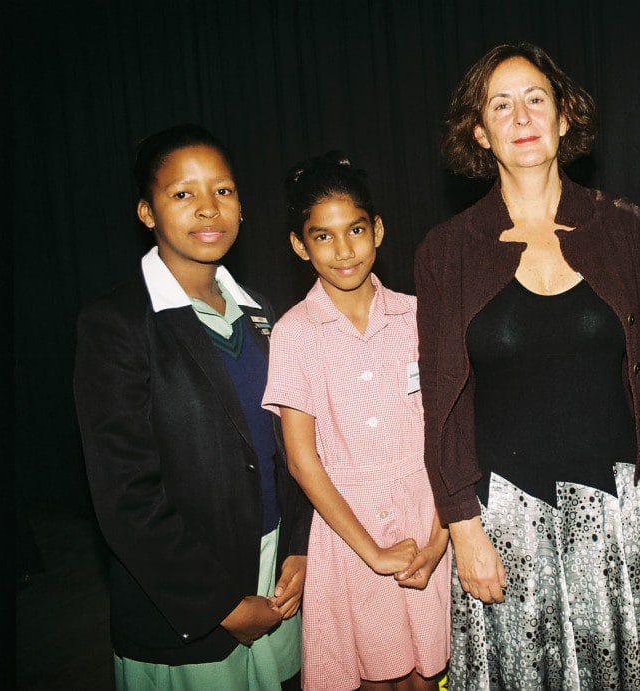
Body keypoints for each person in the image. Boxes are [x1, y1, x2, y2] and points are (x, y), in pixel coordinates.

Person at [414, 42, 640, 690]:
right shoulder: (446, 251)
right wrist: (462, 527)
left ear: (565, 116)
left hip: (613, 506)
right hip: (506, 518)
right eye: (500, 105)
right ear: (479, 133)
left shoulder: (620, 226)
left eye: (536, 98)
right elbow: (442, 404)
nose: (522, 115)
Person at [74, 124, 311, 689]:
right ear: (146, 212)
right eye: (183, 194)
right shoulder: (116, 325)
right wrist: (219, 604)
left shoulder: (264, 315)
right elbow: (125, 496)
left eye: (223, 191)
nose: (209, 209)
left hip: (276, 577)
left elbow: (295, 447)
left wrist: (300, 550)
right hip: (186, 598)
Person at [262, 153, 450, 691]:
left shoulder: (418, 315)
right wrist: (371, 551)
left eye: (356, 230)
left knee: (431, 671)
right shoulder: (296, 333)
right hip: (351, 542)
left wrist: (440, 535)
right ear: (300, 245)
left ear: (378, 231)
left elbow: (446, 431)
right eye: (323, 237)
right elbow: (302, 460)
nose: (343, 251)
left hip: (427, 523)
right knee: (372, 675)